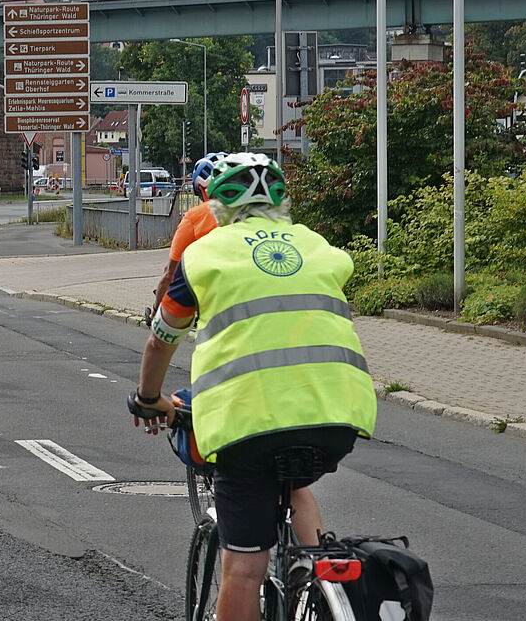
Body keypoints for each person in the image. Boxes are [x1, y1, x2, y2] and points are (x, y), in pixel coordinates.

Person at [129, 152, 376, 621]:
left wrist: (148, 400)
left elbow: (160, 343)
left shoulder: (203, 256)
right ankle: (316, 573)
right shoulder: (321, 248)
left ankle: (299, 582)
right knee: (294, 481)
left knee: (243, 567)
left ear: (215, 205)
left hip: (247, 428)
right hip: (339, 418)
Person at [146, 153, 225, 324]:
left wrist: (154, 313)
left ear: (201, 188)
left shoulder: (196, 217)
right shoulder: (253, 214)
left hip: (216, 307)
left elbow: (169, 274)